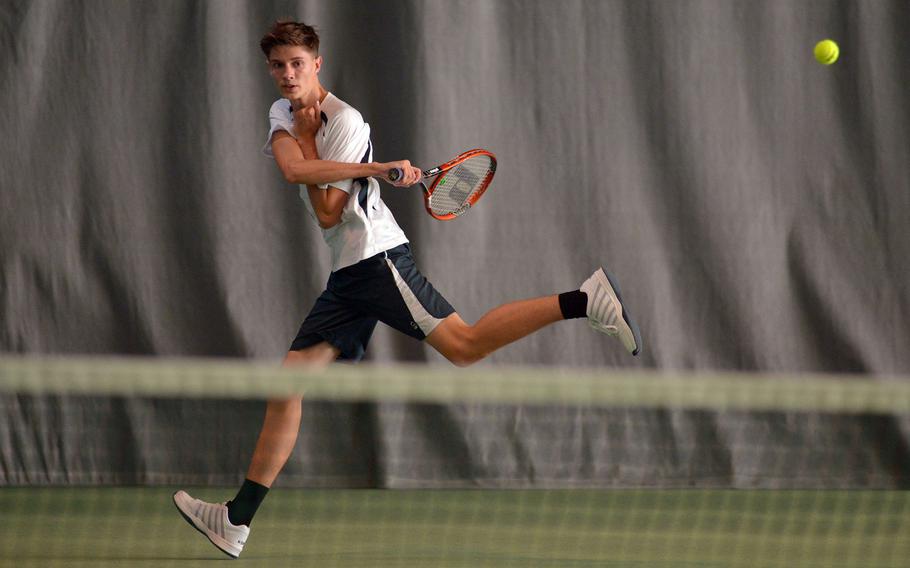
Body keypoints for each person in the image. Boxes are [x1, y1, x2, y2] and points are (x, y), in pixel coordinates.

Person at [173, 20, 641, 558]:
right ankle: (237, 520)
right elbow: (289, 169)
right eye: (277, 65)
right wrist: (362, 162)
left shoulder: (343, 121)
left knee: (463, 347)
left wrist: (313, 141)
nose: (286, 74)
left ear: (317, 64)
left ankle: (585, 300)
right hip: (349, 274)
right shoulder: (284, 110)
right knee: (289, 386)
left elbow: (328, 213)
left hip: (376, 261)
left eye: (296, 63)